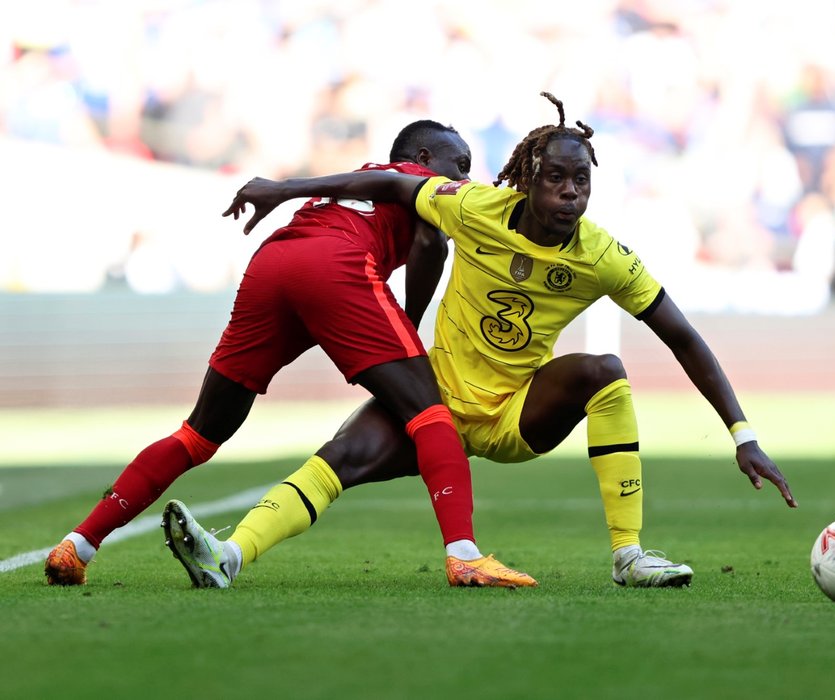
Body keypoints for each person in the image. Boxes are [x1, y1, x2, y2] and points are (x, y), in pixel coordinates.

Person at [170, 92, 797, 590]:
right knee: (338, 459)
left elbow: (682, 336)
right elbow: (392, 184)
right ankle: (228, 555)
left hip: (515, 413)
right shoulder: (472, 208)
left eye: (581, 181)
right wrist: (283, 191)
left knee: (603, 369)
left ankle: (628, 555)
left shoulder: (603, 256)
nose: (570, 192)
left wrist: (744, 436)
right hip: (432, 399)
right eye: (556, 178)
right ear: (528, 177)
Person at [44, 120, 535, 589]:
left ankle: (78, 545)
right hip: (336, 266)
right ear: (424, 158)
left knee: (199, 433)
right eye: (461, 163)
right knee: (429, 412)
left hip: (274, 263)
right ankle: (465, 556)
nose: (465, 178)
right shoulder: (417, 180)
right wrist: (408, 321)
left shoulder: (359, 181)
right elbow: (431, 243)